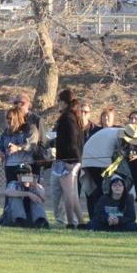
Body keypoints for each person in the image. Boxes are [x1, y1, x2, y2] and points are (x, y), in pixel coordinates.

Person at [53, 95, 85, 229]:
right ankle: (81, 222)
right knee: (72, 193)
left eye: (59, 101)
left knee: (68, 193)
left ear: (65, 103)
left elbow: (72, 141)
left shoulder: (67, 118)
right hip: (74, 159)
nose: (58, 104)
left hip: (68, 160)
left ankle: (71, 222)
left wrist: (70, 161)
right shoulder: (75, 117)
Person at [0, 102, 41, 185]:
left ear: (18, 117)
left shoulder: (30, 129)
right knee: (12, 190)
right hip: (10, 167)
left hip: (25, 166)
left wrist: (18, 148)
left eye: (10, 118)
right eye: (7, 118)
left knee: (27, 188)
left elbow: (32, 145)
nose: (8, 121)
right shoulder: (6, 132)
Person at [0, 164, 49, 228]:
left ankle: (41, 223)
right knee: (16, 197)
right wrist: (28, 194)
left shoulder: (36, 186)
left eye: (23, 173)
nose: (20, 175)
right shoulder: (14, 183)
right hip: (12, 219)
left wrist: (35, 186)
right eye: (18, 173)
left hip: (30, 219)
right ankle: (19, 222)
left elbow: (43, 199)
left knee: (37, 198)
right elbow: (7, 192)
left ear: (30, 174)